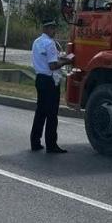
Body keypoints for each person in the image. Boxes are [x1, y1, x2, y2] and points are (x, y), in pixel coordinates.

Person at [30, 20, 72, 153]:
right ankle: (51, 144)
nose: (55, 31)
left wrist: (61, 59)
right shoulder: (50, 44)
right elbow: (53, 66)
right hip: (50, 81)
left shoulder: (37, 41)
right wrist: (66, 61)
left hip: (40, 78)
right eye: (53, 29)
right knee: (52, 115)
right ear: (47, 28)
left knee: (40, 112)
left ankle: (35, 142)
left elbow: (45, 60)